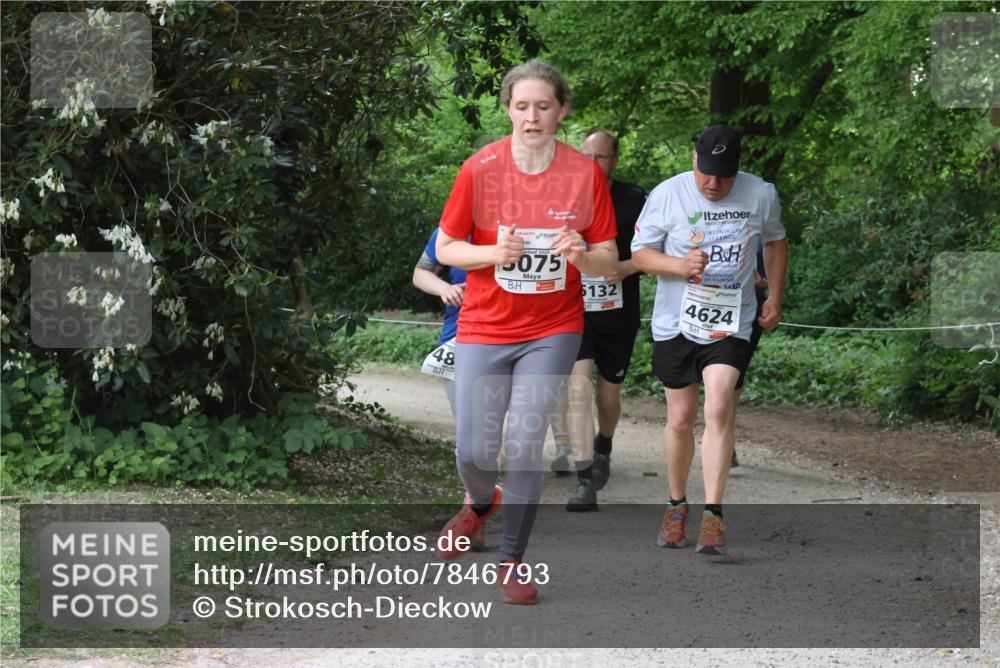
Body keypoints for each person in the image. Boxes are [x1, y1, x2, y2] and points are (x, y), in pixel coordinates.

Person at [433, 60, 618, 604]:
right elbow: (446, 248)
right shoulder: (480, 168)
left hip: (552, 327)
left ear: (561, 110)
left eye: (543, 106)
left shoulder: (584, 174)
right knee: (474, 449)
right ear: (507, 109)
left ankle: (512, 560)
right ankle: (480, 502)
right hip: (486, 324)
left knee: (523, 442)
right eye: (521, 106)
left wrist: (583, 255)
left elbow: (609, 258)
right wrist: (494, 253)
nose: (531, 117)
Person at [631, 124, 787, 556]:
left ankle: (714, 514)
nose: (714, 183)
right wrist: (679, 265)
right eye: (707, 173)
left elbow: (775, 240)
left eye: (725, 174)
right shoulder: (667, 194)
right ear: (693, 159)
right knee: (680, 419)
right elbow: (641, 255)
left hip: (731, 320)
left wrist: (774, 294)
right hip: (677, 322)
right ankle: (676, 504)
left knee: (718, 403)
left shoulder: (760, 193)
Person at [551, 129, 646, 512]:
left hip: (619, 311)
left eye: (601, 157)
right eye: (586, 156)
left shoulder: (636, 199)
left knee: (608, 396)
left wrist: (625, 267)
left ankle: (603, 444)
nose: (592, 164)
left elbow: (656, 250)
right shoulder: (564, 196)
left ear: (615, 159)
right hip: (574, 308)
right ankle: (584, 479)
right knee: (577, 388)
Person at [412, 228, 466, 415]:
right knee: (471, 431)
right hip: (458, 337)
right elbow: (420, 272)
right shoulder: (451, 230)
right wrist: (444, 289)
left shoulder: (527, 228)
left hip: (518, 336)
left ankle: (562, 439)